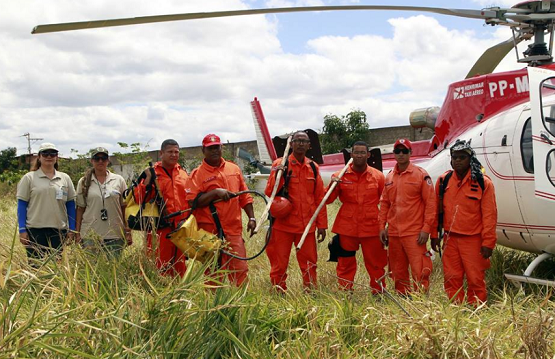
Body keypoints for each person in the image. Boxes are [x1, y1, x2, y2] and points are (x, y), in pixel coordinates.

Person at [431, 139, 497, 304]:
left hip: (473, 240)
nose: (458, 160)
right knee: (452, 277)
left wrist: (488, 242)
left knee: (475, 278)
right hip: (450, 238)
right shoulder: (443, 181)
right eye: (455, 157)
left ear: (470, 159)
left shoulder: (483, 182)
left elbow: (490, 215)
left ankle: (476, 309)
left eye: (462, 157)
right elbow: (436, 211)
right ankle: (456, 309)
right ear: (451, 160)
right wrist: (434, 234)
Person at [185, 134, 255, 286]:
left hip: (233, 230)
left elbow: (245, 196)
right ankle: (213, 306)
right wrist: (215, 193)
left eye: (217, 147)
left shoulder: (234, 169)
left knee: (240, 269)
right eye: (210, 148)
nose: (214, 151)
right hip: (209, 231)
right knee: (212, 272)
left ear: (221, 147)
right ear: (203, 150)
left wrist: (252, 218)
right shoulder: (197, 174)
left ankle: (240, 304)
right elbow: (192, 202)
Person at [264, 130, 327, 292]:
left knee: (310, 264)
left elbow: (319, 197)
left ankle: (310, 292)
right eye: (297, 141)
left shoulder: (313, 167)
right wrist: (279, 172)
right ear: (290, 145)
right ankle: (278, 292)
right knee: (279, 263)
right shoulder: (280, 163)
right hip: (282, 225)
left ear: (309, 146)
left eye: (303, 141)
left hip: (306, 226)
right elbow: (269, 191)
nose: (300, 144)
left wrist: (322, 225)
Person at [326, 141, 386, 292]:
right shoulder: (339, 175)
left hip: (372, 227)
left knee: (376, 263)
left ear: (368, 155)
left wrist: (385, 226)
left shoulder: (378, 176)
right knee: (345, 262)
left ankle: (378, 292)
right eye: (356, 152)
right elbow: (327, 200)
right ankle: (345, 292)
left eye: (362, 153)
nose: (359, 155)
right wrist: (332, 185)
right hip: (347, 228)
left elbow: (386, 202)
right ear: (351, 155)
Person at [378, 138, 435, 295]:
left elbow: (431, 204)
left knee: (420, 269)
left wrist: (426, 229)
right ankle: (402, 297)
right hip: (394, 233)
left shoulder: (421, 175)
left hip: (414, 233)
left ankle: (421, 300)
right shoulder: (389, 177)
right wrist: (382, 227)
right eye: (398, 151)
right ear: (394, 154)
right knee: (397, 270)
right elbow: (384, 203)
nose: (401, 154)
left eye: (404, 151)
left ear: (410, 153)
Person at [135, 139, 189, 276]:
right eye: (170, 152)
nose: (174, 155)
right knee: (158, 265)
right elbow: (138, 198)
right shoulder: (152, 173)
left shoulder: (183, 173)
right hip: (159, 228)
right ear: (161, 153)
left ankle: (179, 294)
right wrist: (147, 181)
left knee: (180, 266)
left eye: (176, 152)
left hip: (180, 228)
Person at [16, 143, 76, 264]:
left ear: (57, 157)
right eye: (45, 153)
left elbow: (70, 205)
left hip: (58, 231)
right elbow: (22, 205)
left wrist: (72, 229)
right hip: (35, 230)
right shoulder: (29, 178)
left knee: (58, 269)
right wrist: (22, 230)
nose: (49, 156)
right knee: (35, 267)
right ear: (39, 156)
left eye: (52, 153)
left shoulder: (64, 178)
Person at [75, 147, 131, 258]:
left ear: (108, 160)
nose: (100, 161)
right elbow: (80, 209)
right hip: (90, 234)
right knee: (92, 270)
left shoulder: (118, 180)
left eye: (103, 158)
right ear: (92, 161)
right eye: (97, 158)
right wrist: (77, 233)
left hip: (114, 233)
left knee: (114, 269)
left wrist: (128, 231)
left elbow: (125, 207)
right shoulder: (84, 181)